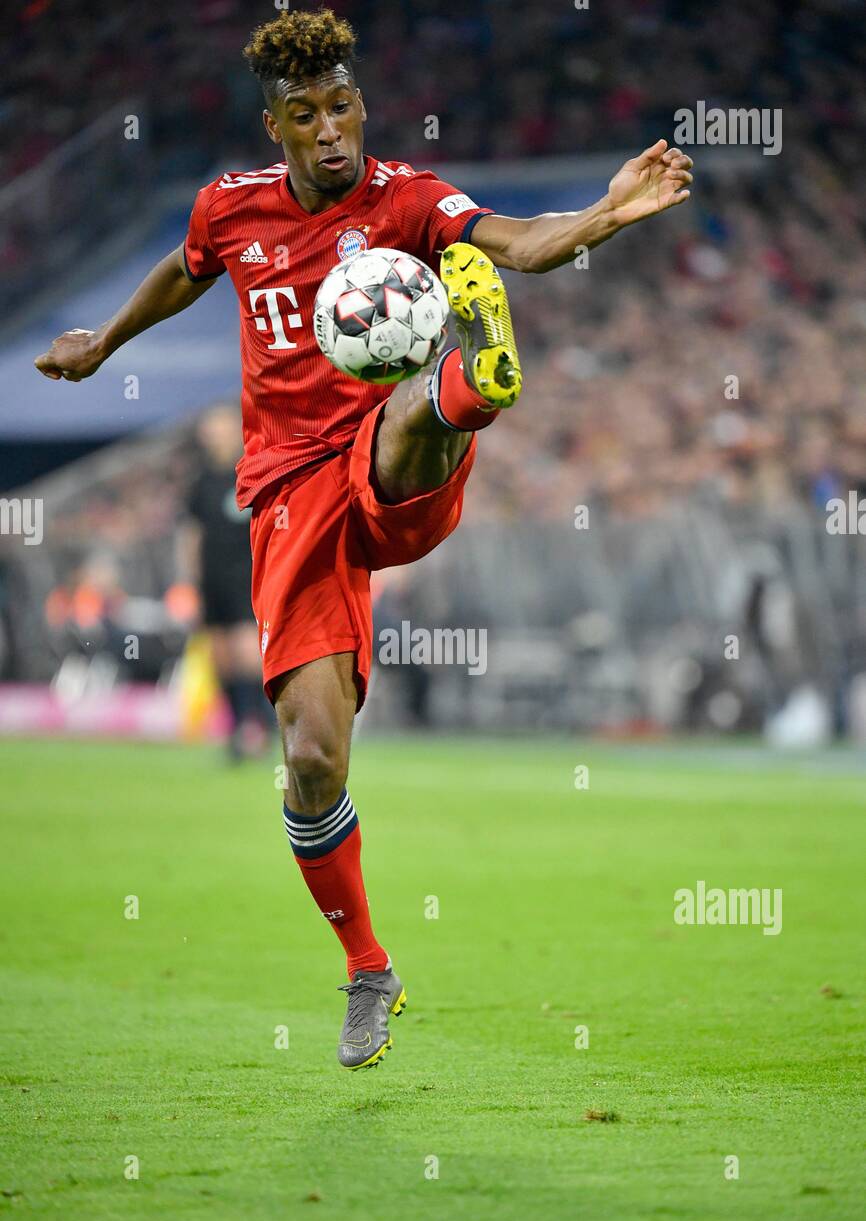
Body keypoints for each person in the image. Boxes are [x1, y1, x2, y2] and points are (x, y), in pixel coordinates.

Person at [34, 7, 693, 1070]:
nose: (331, 128)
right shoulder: (229, 211)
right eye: (307, 114)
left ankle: (471, 380)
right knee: (310, 761)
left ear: (362, 108)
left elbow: (520, 243)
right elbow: (184, 268)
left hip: (387, 452)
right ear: (276, 127)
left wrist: (609, 213)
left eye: (343, 106)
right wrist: (103, 342)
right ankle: (367, 967)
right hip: (289, 497)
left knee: (406, 416)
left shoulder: (409, 201)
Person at [181, 403, 271, 759]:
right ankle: (236, 729)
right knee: (220, 656)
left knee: (248, 653)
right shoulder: (201, 481)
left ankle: (260, 726)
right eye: (209, 425)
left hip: (246, 579)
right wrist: (192, 580)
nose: (213, 432)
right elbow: (192, 534)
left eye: (220, 424)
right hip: (212, 582)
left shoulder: (249, 471)